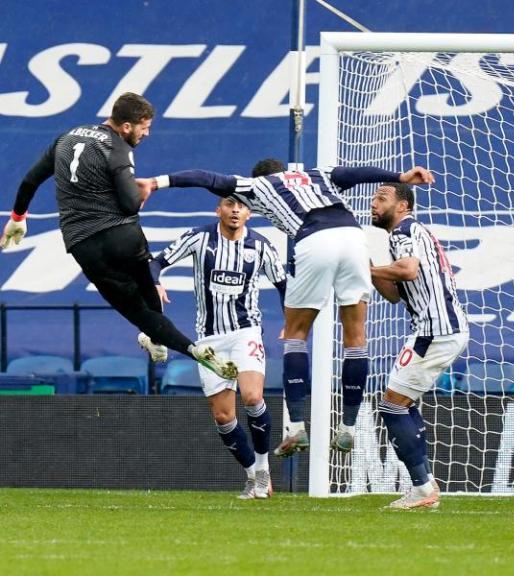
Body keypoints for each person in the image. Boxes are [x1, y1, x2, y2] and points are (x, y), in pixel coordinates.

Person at [139, 160, 435, 457]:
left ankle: (295, 428)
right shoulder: (316, 174)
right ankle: (348, 429)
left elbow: (207, 176)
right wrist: (400, 176)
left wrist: (156, 182)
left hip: (315, 239)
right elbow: (355, 173)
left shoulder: (257, 186)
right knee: (356, 336)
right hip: (354, 238)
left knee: (296, 335)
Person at [1, 92, 237, 380]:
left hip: (82, 243)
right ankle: (164, 339)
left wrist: (18, 218)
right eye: (144, 127)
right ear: (127, 126)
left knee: (136, 310)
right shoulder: (117, 148)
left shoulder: (66, 138)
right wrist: (137, 191)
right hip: (122, 236)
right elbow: (129, 204)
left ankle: (189, 349)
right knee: (147, 288)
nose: (147, 133)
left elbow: (30, 180)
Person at [149, 196, 286, 499]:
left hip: (245, 331)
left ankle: (263, 470)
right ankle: (251, 475)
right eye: (229, 204)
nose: (235, 210)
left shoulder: (261, 246)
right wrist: (156, 282)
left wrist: (292, 321)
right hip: (209, 339)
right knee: (224, 417)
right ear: (218, 210)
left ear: (250, 212)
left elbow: (283, 284)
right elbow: (157, 262)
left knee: (252, 396)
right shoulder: (200, 238)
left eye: (241, 205)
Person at [369, 182, 469, 509]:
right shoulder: (412, 232)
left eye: (381, 198)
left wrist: (365, 267)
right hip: (440, 328)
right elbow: (397, 295)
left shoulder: (403, 232)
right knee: (402, 403)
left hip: (435, 331)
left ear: (402, 205)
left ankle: (424, 488)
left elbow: (408, 271)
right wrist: (371, 273)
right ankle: (424, 485)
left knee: (392, 405)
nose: (373, 203)